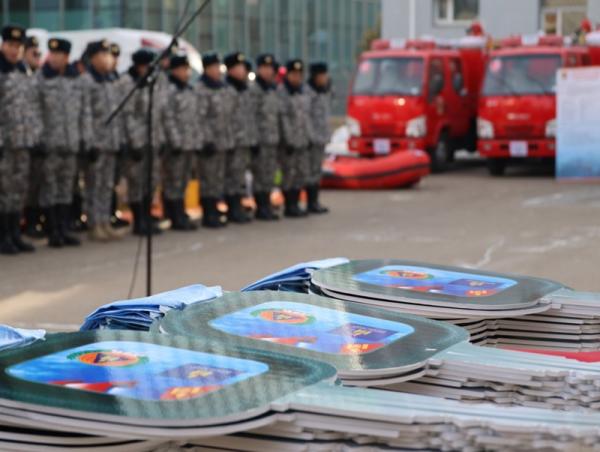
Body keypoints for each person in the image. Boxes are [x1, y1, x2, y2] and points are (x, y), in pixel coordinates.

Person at [33, 38, 82, 248]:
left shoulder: (74, 78)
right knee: (49, 187)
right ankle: (53, 230)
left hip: (70, 142)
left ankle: (64, 229)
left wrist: (83, 138)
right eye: (52, 53)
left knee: (66, 187)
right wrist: (38, 139)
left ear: (67, 57)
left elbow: (81, 112)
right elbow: (34, 111)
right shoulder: (41, 78)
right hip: (50, 144)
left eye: (59, 54)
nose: (54, 57)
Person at [80, 39, 123, 242]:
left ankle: (105, 221)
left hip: (111, 142)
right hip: (96, 142)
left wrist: (120, 139)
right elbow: (85, 114)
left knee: (107, 185)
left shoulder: (111, 80)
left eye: (109, 55)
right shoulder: (87, 81)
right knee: (94, 185)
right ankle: (94, 224)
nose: (107, 59)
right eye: (103, 55)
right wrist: (89, 142)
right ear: (93, 58)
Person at [121, 48, 165, 236]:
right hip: (137, 142)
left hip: (153, 139)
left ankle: (147, 218)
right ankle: (138, 220)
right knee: (136, 181)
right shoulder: (128, 83)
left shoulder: (152, 82)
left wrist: (160, 138)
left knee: (151, 181)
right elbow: (128, 115)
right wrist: (134, 141)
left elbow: (159, 113)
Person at [0, 25, 36, 255]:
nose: (15, 50)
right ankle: (3, 236)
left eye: (19, 46)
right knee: (3, 191)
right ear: (3, 45)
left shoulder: (24, 70)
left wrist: (34, 137)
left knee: (18, 190)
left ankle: (14, 234)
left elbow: (31, 108)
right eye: (11, 45)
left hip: (23, 142)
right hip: (4, 144)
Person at [162, 53, 199, 231]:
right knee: (173, 181)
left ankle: (180, 212)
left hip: (189, 142)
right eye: (183, 69)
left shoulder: (189, 90)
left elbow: (195, 118)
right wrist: (175, 141)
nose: (187, 72)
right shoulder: (169, 90)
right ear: (174, 70)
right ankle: (173, 215)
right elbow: (168, 118)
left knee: (183, 180)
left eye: (187, 69)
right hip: (175, 144)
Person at [196, 52, 234, 229]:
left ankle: (215, 210)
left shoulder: (223, 88)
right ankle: (208, 213)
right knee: (208, 179)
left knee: (218, 178)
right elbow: (200, 118)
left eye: (219, 66)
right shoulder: (201, 89)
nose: (218, 70)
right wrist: (206, 140)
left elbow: (228, 117)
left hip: (222, 141)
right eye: (215, 67)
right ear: (207, 68)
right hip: (209, 143)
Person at [223, 51, 256, 224]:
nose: (242, 70)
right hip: (231, 141)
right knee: (231, 176)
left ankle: (237, 207)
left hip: (244, 140)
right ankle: (232, 209)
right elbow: (224, 118)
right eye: (238, 67)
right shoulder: (226, 90)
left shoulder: (245, 89)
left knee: (239, 176)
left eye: (243, 67)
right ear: (230, 69)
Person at [278, 59, 311, 218]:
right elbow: (283, 119)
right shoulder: (282, 92)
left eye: (299, 74)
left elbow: (306, 117)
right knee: (288, 174)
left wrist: (309, 137)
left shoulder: (303, 91)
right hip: (289, 142)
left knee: (300, 173)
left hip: (302, 140)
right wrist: (288, 140)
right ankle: (289, 205)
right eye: (294, 74)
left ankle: (296, 203)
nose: (297, 77)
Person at [250, 53, 280, 221]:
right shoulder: (254, 90)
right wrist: (253, 139)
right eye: (265, 68)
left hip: (272, 139)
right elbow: (250, 116)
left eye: (270, 68)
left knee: (269, 175)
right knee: (260, 175)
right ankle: (261, 207)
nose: (268, 71)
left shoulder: (273, 89)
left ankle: (266, 205)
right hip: (260, 140)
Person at [21, 35, 45, 238]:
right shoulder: (14, 74)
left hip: (35, 140)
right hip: (16, 141)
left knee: (34, 186)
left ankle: (30, 224)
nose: (37, 57)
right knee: (15, 188)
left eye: (39, 54)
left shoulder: (36, 76)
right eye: (33, 53)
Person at [305, 62, 331, 214]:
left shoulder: (322, 91)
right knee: (310, 171)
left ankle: (315, 201)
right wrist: (310, 137)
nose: (325, 78)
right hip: (312, 139)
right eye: (323, 75)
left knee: (317, 171)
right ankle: (310, 202)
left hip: (321, 138)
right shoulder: (309, 93)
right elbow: (306, 117)